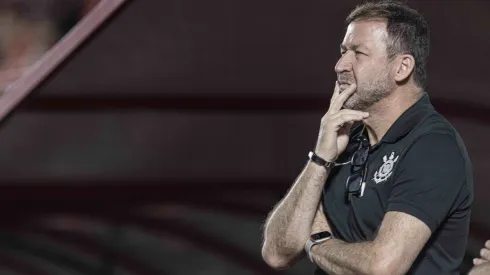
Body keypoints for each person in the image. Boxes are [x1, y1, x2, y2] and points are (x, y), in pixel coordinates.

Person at [261, 1, 474, 274]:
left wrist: (316, 242)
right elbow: (277, 253)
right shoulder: (343, 140)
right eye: (342, 51)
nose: (340, 65)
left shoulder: (434, 146)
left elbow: (382, 268)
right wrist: (320, 159)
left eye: (358, 53)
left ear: (402, 68)